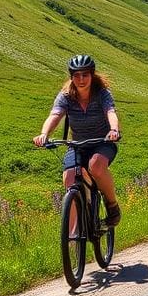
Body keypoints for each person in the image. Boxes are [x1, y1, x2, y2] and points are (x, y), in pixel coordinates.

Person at [33, 54, 122, 226]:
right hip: (77, 146)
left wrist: (114, 130)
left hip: (102, 143)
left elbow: (110, 112)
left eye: (85, 75)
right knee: (69, 178)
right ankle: (73, 233)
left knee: (96, 166)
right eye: (76, 75)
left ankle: (112, 206)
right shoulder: (66, 95)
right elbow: (55, 115)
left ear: (92, 75)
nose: (81, 79)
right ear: (71, 76)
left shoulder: (102, 93)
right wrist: (44, 134)